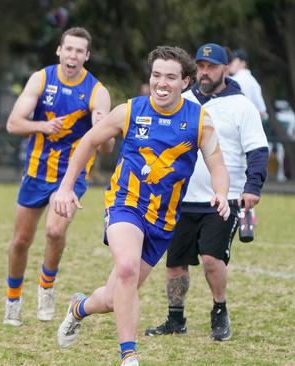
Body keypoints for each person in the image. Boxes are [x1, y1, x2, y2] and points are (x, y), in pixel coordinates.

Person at [53, 46, 231, 366]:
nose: (161, 83)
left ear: (185, 82)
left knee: (113, 297)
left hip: (163, 220)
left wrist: (220, 192)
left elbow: (217, 164)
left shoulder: (200, 121)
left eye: (171, 77)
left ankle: (79, 307)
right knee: (125, 268)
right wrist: (65, 187)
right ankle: (129, 356)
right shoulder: (130, 111)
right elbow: (89, 142)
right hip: (126, 203)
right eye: (156, 75)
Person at [145, 43, 268, 341]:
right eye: (200, 66)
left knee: (212, 259)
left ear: (225, 68)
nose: (205, 71)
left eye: (211, 66)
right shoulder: (183, 101)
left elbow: (258, 151)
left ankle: (219, 311)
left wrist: (252, 187)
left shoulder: (241, 106)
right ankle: (176, 319)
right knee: (175, 263)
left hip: (222, 199)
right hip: (180, 198)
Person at [3, 27, 111, 326]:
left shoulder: (97, 92)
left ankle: (46, 289)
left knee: (54, 231)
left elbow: (106, 147)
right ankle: (13, 298)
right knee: (21, 240)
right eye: (69, 49)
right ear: (59, 51)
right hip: (37, 171)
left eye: (80, 51)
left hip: (71, 176)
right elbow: (13, 124)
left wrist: (103, 132)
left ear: (86, 56)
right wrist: (43, 127)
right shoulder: (41, 78)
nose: (73, 55)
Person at [229, 49, 284, 181]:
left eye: (234, 60)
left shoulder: (234, 80)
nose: (231, 64)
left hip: (235, 127)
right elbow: (262, 111)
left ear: (243, 63)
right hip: (251, 130)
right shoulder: (253, 81)